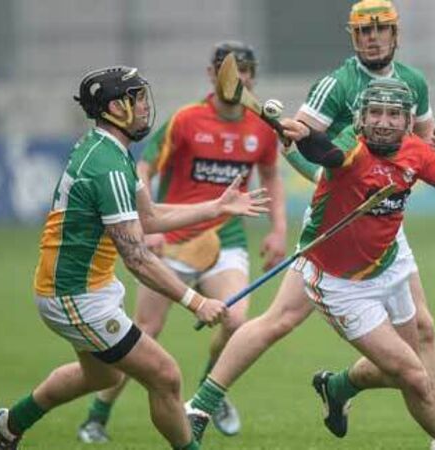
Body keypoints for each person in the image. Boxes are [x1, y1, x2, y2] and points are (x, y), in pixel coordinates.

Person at [188, 78, 435, 449]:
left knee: (403, 368)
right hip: (340, 284)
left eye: (393, 115)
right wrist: (305, 135)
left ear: (408, 121)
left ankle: (338, 386)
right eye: (375, 113)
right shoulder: (352, 145)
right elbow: (328, 154)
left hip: (388, 267)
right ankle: (201, 407)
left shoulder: (415, 151)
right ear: (361, 118)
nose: (383, 121)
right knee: (414, 375)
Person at [185, 2, 435, 448]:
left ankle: (428, 425)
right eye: (364, 31)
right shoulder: (336, 85)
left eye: (380, 30)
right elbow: (292, 141)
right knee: (280, 320)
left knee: (422, 331)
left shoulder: (414, 81)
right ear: (354, 37)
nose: (372, 38)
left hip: (384, 223)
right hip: (335, 222)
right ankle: (199, 406)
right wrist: (327, 183)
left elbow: (422, 147)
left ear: (395, 34)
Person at [0, 65, 270, 450]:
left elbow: (149, 217)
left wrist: (217, 207)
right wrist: (196, 301)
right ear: (115, 108)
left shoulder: (111, 151)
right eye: (136, 99)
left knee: (103, 377)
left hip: (86, 288)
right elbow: (137, 258)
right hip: (74, 296)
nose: (145, 106)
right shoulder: (107, 167)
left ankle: (9, 424)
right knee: (166, 376)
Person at [76, 41, 286, 443]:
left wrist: (278, 230)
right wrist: (148, 226)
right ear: (211, 74)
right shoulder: (187, 119)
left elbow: (271, 177)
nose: (238, 77)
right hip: (172, 240)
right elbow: (144, 167)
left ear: (253, 77)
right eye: (229, 69)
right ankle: (97, 416)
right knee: (145, 332)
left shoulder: (261, 127)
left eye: (245, 70)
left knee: (237, 320)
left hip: (226, 237)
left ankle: (208, 394)